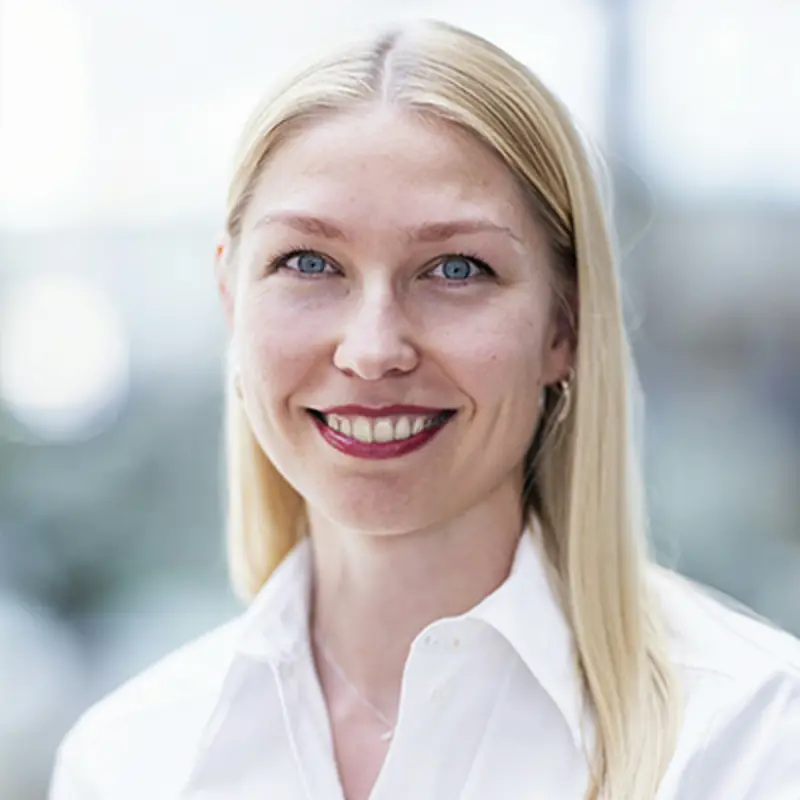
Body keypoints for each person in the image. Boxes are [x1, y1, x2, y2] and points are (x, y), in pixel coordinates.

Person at [49, 19, 800, 800]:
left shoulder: (754, 741)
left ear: (564, 328)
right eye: (308, 262)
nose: (373, 349)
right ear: (232, 300)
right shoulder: (126, 761)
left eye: (456, 268)